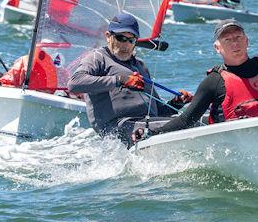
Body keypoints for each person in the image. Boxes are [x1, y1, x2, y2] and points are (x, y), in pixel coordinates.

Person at [133, 19, 258, 142]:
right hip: (232, 145)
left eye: (238, 37)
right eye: (227, 40)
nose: (234, 43)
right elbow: (186, 120)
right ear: (217, 48)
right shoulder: (213, 82)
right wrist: (151, 133)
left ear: (247, 41)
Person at [68, 12, 191, 145]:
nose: (125, 45)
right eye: (121, 38)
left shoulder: (140, 66)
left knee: (197, 120)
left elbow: (157, 110)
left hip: (146, 124)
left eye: (131, 40)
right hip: (119, 128)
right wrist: (120, 80)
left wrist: (176, 103)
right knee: (186, 124)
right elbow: (74, 84)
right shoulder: (98, 58)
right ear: (108, 36)